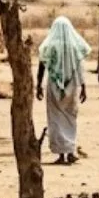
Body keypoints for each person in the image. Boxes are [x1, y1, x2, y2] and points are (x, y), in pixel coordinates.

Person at [36, 16, 89, 165]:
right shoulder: (74, 45)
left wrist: (38, 84)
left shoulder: (49, 45)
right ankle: (70, 151)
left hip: (54, 85)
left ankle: (61, 154)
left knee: (55, 117)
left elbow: (42, 64)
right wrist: (83, 87)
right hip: (72, 85)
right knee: (70, 117)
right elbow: (79, 67)